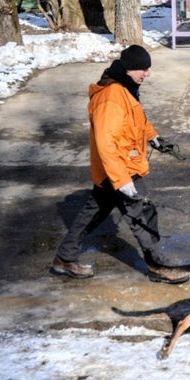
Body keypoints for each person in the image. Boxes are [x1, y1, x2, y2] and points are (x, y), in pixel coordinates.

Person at [51, 44, 176, 282]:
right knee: (142, 214)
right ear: (128, 68)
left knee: (92, 214)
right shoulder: (111, 97)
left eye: (148, 69)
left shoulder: (125, 88)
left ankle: (64, 258)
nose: (147, 74)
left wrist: (153, 138)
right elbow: (106, 143)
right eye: (142, 69)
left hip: (113, 171)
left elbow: (135, 120)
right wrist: (122, 180)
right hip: (120, 169)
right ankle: (159, 267)